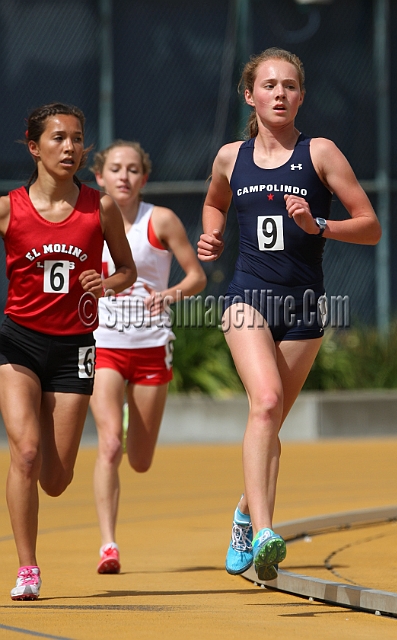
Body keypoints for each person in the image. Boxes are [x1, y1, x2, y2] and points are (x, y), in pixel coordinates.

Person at [197, 48, 381, 581]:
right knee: (267, 402)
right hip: (247, 299)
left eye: (291, 85)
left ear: (302, 96)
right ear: (249, 95)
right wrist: (211, 234)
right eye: (270, 85)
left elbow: (369, 225)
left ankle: (241, 514)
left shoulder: (320, 152)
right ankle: (265, 533)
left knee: (269, 420)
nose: (280, 94)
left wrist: (318, 225)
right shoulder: (232, 157)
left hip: (304, 306)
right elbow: (214, 202)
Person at [0, 103, 137, 601]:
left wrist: (107, 284)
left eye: (77, 139)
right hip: (17, 343)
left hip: (75, 348)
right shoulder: (8, 207)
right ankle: (28, 569)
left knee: (55, 479)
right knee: (26, 453)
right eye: (58, 138)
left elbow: (127, 270)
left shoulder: (98, 207)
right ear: (34, 147)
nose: (70, 147)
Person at [89, 140, 206, 574]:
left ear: (144, 177)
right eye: (115, 168)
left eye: (133, 169)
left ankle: (127, 418)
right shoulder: (87, 220)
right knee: (109, 445)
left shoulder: (161, 220)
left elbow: (196, 275)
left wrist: (172, 293)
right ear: (99, 176)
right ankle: (108, 545)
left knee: (139, 460)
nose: (124, 176)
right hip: (103, 345)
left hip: (151, 345)